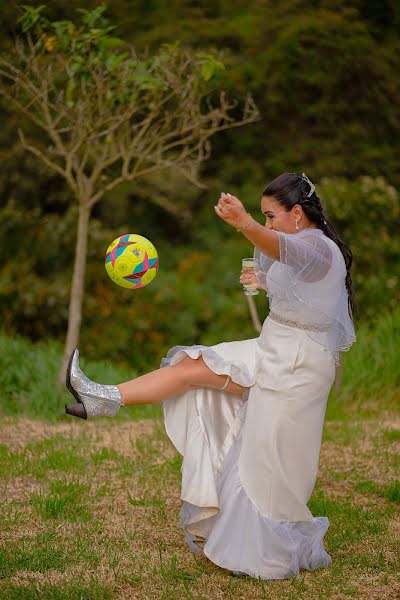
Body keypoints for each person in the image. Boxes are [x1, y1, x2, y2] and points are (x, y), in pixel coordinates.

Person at [65, 172, 356, 580]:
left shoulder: (318, 248)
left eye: (271, 216)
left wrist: (244, 224)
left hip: (296, 366)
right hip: (273, 348)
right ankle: (102, 397)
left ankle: (267, 553)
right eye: (262, 217)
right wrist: (265, 280)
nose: (267, 224)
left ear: (296, 213)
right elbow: (295, 275)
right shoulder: (302, 247)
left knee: (266, 462)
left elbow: (286, 250)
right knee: (191, 368)